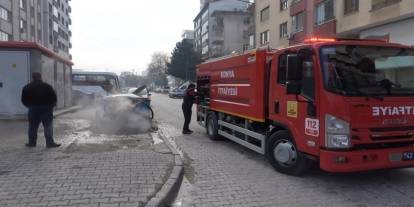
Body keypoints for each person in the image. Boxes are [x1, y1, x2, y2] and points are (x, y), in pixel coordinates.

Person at [21, 72, 61, 148]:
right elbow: (54, 98)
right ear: (40, 77)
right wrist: (51, 106)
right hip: (46, 109)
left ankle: (32, 143)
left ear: (32, 78)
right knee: (47, 126)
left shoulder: (27, 87)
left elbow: (23, 99)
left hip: (33, 109)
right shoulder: (47, 86)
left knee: (32, 126)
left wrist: (29, 106)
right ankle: (49, 143)